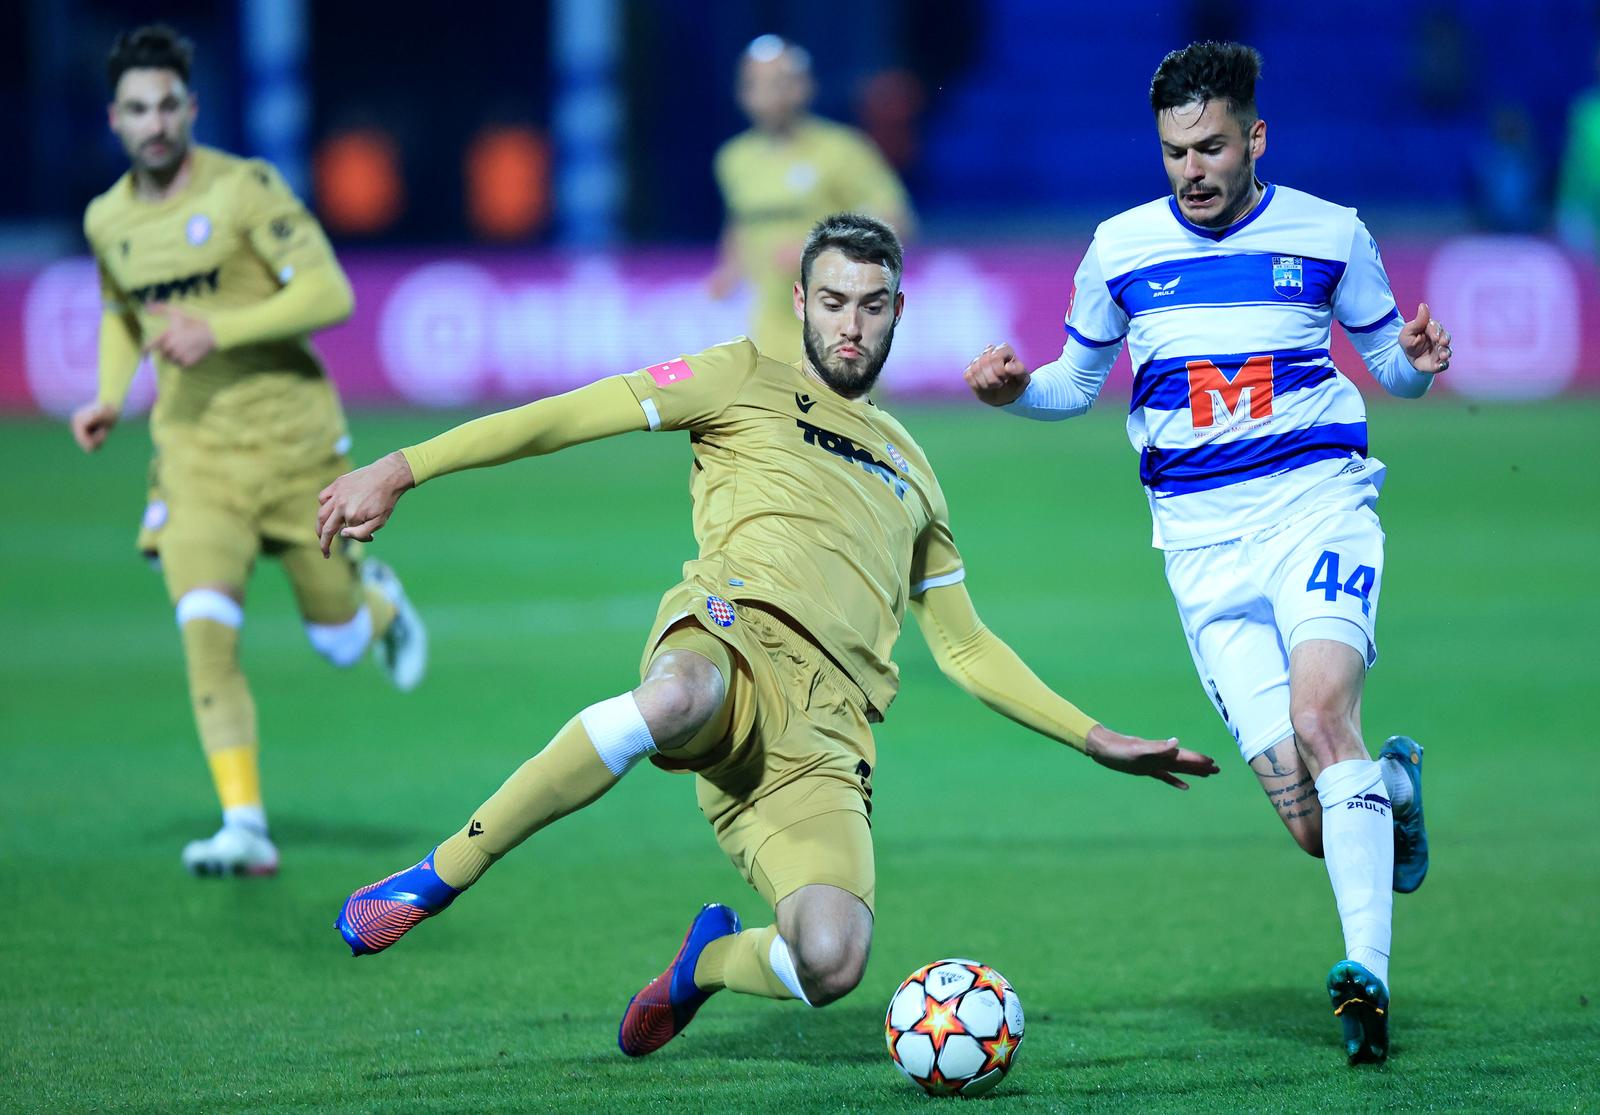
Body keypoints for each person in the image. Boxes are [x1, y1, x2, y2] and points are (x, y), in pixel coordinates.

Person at [320, 212, 1218, 1056]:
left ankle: (704, 963)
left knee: (832, 960)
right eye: (832, 303)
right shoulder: (742, 375)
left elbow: (966, 646)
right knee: (678, 694)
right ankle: (438, 875)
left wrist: (1095, 738)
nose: (851, 327)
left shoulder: (916, 470)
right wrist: (406, 465)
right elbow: (564, 415)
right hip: (730, 636)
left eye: (872, 306)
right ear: (801, 302)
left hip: (825, 738)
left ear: (900, 310)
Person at [964, 42, 1445, 1066]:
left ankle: (1367, 975)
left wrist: (1416, 365)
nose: (1193, 168)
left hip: (1316, 507)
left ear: (1255, 137)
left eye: (1213, 145)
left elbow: (1392, 367)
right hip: (1199, 551)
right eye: (1176, 150)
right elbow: (1072, 381)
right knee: (1320, 822)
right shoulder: (1120, 249)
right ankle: (1392, 788)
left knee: (1323, 714)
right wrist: (1017, 391)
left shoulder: (1328, 232)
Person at [69, 25, 427, 878]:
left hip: (297, 448)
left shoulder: (244, 191)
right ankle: (244, 825)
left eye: (167, 106)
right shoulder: (107, 220)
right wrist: (111, 395)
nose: (153, 123)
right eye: (135, 109)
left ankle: (374, 606)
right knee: (206, 629)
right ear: (114, 119)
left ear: (190, 109)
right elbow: (125, 314)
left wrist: (218, 328)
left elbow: (331, 289)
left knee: (336, 641)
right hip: (194, 460)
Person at [707, 35, 915, 364]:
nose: (767, 93)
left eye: (779, 82)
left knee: (840, 412)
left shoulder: (842, 150)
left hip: (839, 325)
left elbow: (895, 218)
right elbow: (741, 221)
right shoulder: (734, 159)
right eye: (755, 83)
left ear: (804, 86)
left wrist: (818, 249)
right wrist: (730, 269)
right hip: (771, 323)